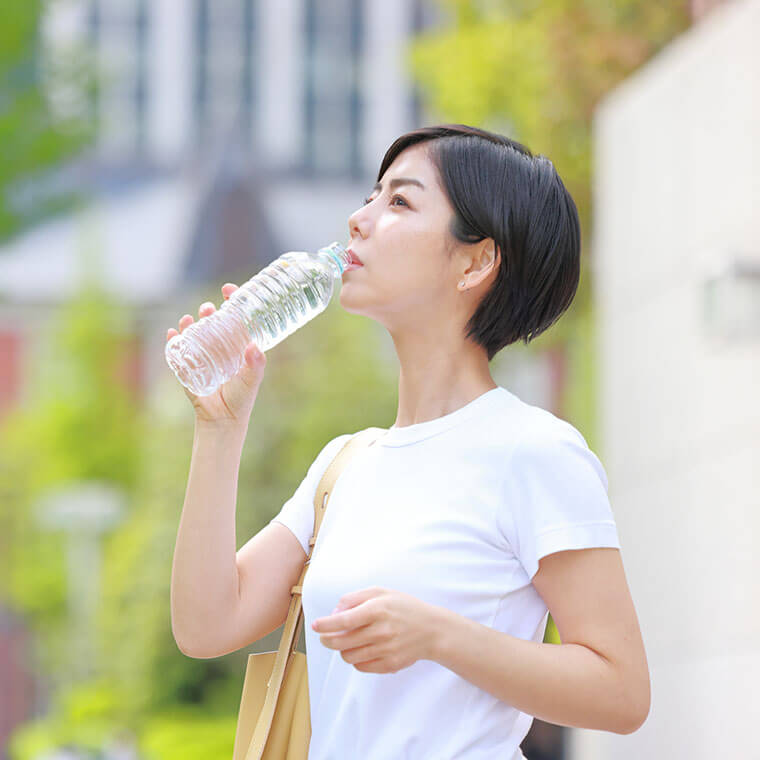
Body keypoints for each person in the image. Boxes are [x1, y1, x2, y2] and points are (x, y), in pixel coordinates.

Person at [169, 124, 651, 760]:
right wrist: (219, 431)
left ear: (476, 260)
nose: (358, 220)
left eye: (399, 202)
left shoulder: (534, 451)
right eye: (372, 196)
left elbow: (622, 692)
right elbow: (207, 626)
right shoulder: (345, 463)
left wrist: (438, 636)